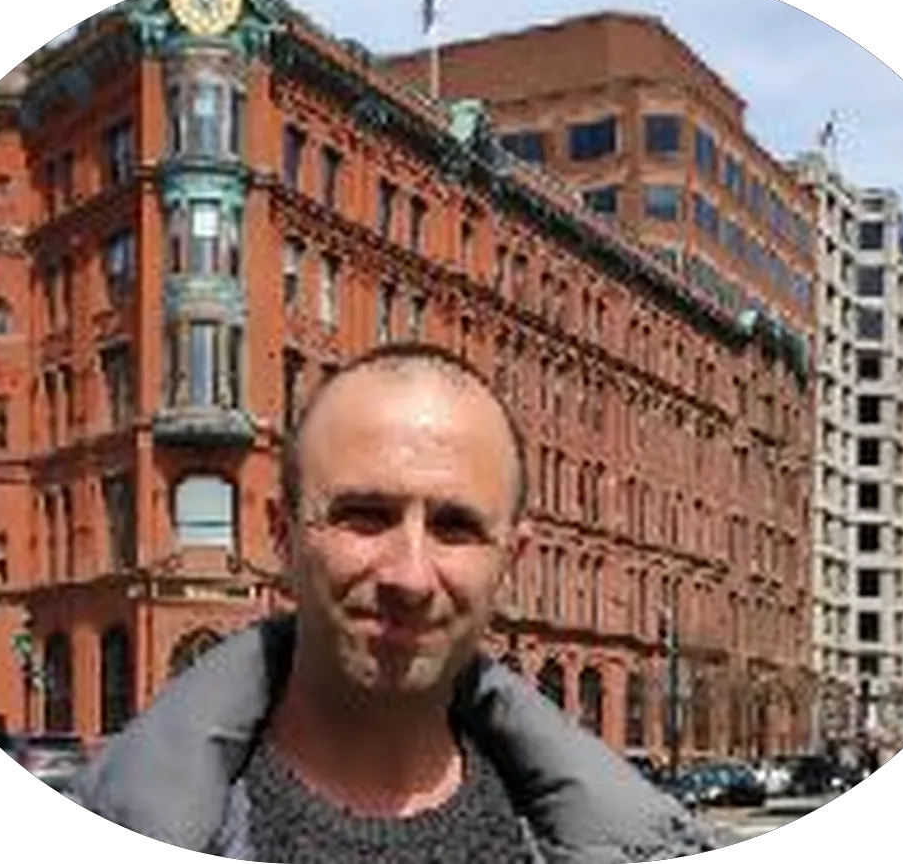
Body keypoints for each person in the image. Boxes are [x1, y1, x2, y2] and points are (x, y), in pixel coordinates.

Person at [67, 342, 733, 863]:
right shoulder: (145, 810)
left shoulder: (620, 842)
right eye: (364, 514)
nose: (410, 577)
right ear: (282, 537)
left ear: (512, 560)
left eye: (456, 526)